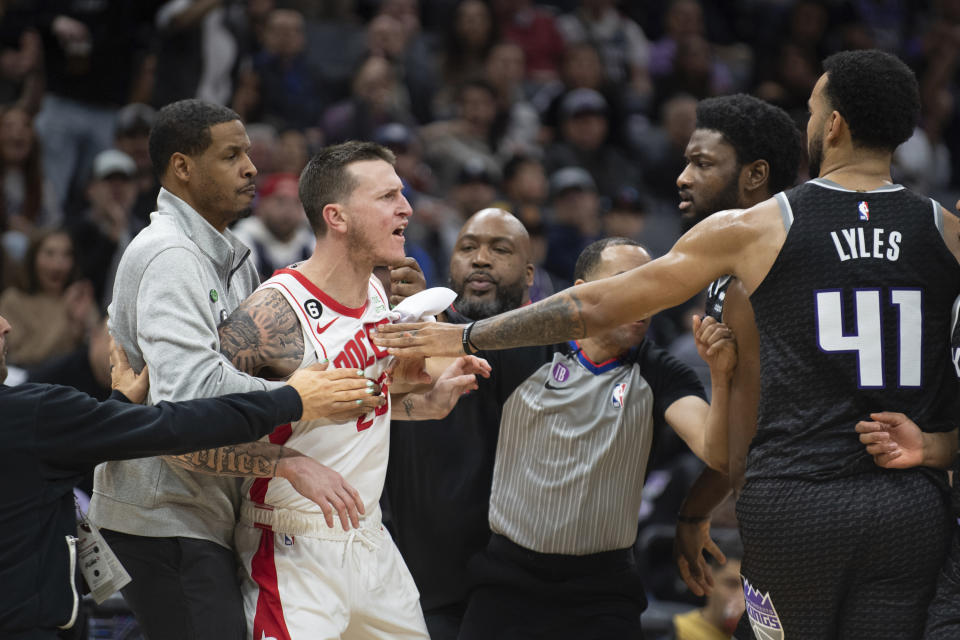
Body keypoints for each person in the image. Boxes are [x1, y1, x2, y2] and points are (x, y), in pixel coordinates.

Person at [374, 49, 960, 639]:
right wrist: (939, 446)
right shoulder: (949, 233)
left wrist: (466, 331)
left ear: (832, 125)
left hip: (796, 501)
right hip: (909, 505)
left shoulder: (755, 231)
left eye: (812, 110)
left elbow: (597, 306)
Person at [89, 100, 378, 640]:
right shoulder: (170, 255)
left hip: (201, 508)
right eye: (231, 155)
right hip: (159, 513)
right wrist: (299, 393)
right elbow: (190, 392)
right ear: (183, 167)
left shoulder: (227, 253)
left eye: (248, 152)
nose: (251, 167)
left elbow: (253, 368)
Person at [215, 140, 488, 639]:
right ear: (336, 217)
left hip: (370, 540)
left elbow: (347, 408)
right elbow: (187, 436)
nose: (406, 207)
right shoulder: (274, 314)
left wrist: (423, 404)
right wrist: (286, 464)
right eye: (387, 197)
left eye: (402, 194)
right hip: (292, 544)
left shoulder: (379, 295)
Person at [0, 312, 392, 639]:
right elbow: (175, 427)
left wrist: (117, 410)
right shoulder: (31, 416)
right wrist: (291, 400)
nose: (6, 326)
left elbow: (38, 464)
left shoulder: (33, 424)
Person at [455, 237, 735, 640]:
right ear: (583, 290)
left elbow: (719, 452)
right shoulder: (520, 349)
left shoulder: (661, 372)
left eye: (652, 286)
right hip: (506, 582)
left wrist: (722, 377)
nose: (643, 299)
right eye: (625, 283)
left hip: (603, 592)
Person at [385, 207, 544, 639]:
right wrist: (418, 317)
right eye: (468, 247)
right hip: (410, 581)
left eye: (500, 249)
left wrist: (431, 322)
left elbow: (487, 355)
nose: (481, 259)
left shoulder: (548, 351)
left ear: (529, 273)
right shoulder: (413, 331)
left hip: (510, 587)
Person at [668, 93, 802, 597]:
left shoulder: (754, 275)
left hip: (798, 513)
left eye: (701, 163)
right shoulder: (741, 263)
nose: (683, 177)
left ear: (754, 175)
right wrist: (697, 509)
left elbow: (743, 441)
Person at [0, 227, 99, 368]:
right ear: (33, 258)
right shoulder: (13, 300)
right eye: (49, 254)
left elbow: (97, 355)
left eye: (67, 255)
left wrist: (82, 328)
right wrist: (66, 316)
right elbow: (23, 356)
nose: (58, 264)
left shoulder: (78, 298)